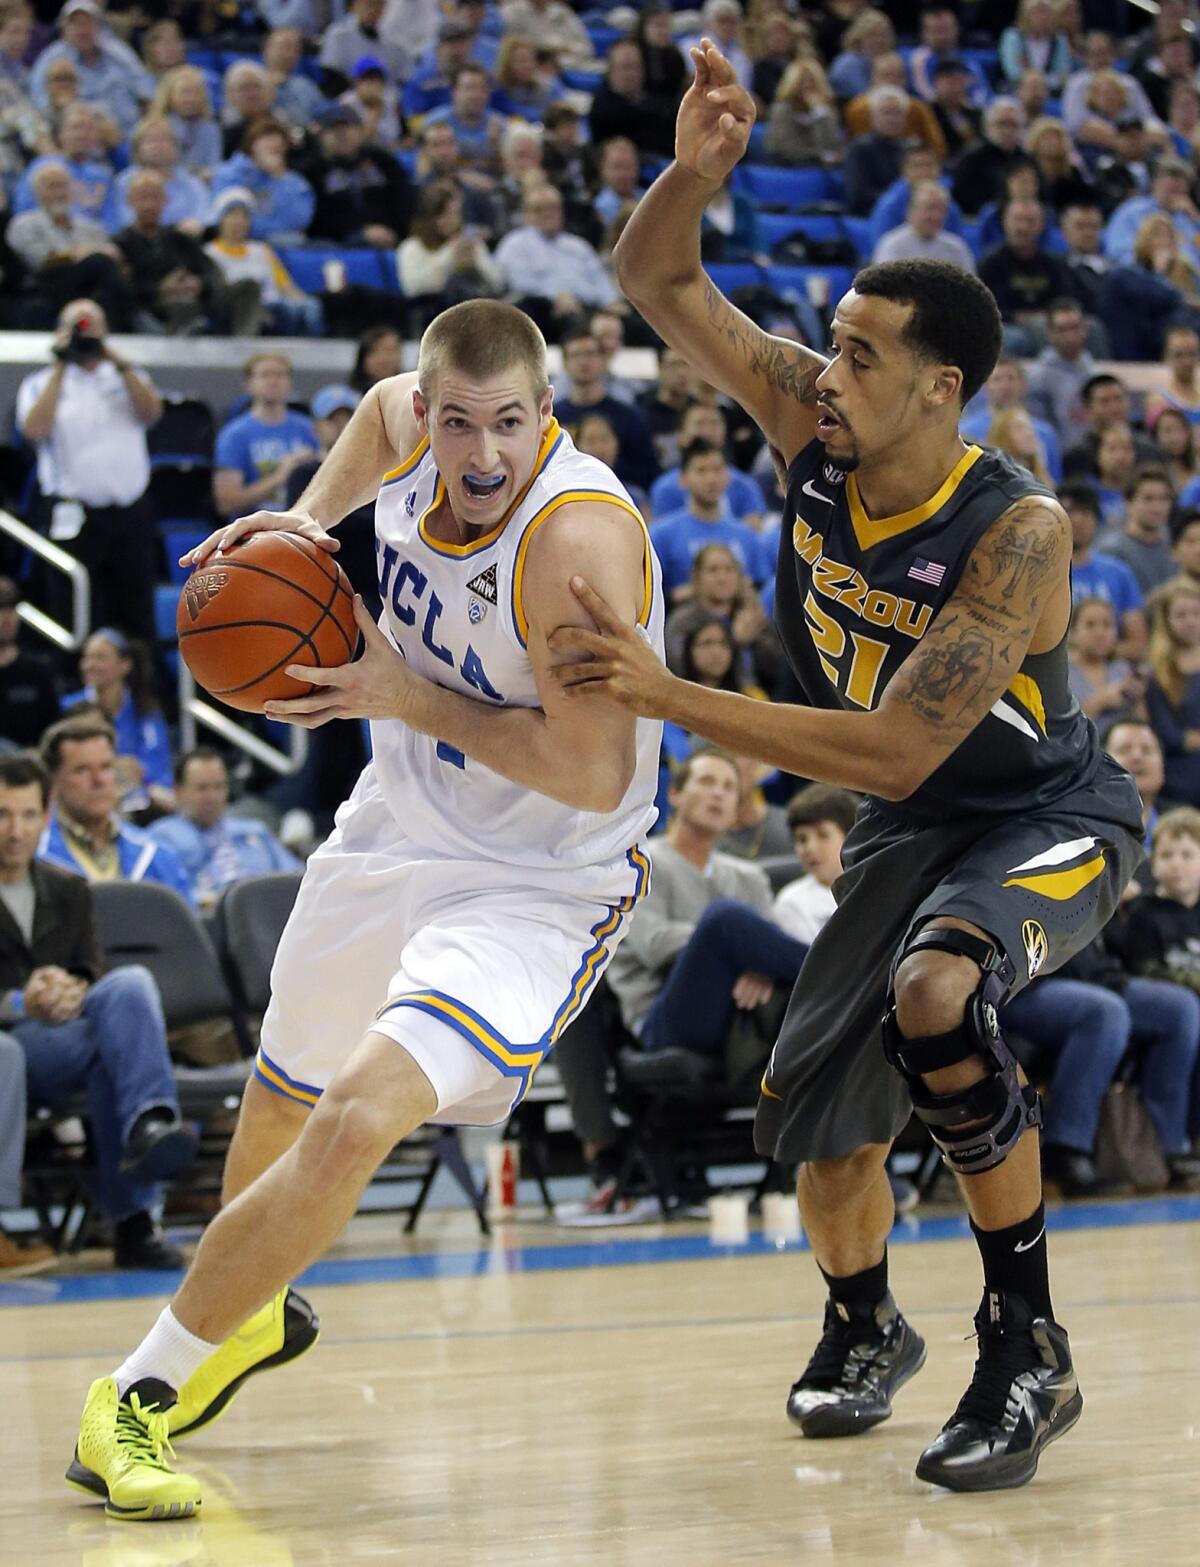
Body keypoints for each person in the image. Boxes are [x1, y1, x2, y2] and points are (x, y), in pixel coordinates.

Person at [554, 40, 1145, 1493]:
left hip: (1045, 808)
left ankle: (1029, 1341)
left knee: (938, 990)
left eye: (862, 355)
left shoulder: (1019, 530)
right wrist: (694, 177)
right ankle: (868, 1324)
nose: (830, 367)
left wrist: (668, 687)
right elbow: (659, 283)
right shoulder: (813, 421)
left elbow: (894, 740)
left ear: (941, 391)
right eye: (832, 339)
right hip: (906, 823)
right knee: (825, 1126)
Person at [66, 297, 665, 1520]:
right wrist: (300, 521)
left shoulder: (576, 541)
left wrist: (401, 691)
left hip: (534, 887)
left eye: (510, 424)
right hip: (393, 828)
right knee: (281, 1089)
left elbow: (593, 769)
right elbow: (379, 414)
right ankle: (247, 1315)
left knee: (353, 1119)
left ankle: (133, 1391)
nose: (482, 453)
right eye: (459, 423)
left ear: (547, 416)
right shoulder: (409, 421)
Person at [0, 749, 197, 1270]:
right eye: (1, 815)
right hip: (15, 1042)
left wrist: (68, 989)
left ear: (43, 817)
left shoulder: (67, 888)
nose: (14, 830)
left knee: (128, 986)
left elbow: (90, 970)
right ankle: (135, 1219)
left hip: (68, 1035)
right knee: (109, 1048)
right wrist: (24, 999)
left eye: (24, 815)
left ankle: (148, 1125)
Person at [606, 747, 805, 1054]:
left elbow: (770, 945)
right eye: (707, 782)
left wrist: (762, 967)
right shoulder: (641, 864)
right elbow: (655, 946)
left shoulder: (750, 876)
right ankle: (839, 974)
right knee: (723, 918)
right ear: (674, 794)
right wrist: (731, 946)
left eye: (729, 788)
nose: (718, 794)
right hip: (664, 1019)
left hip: (740, 1012)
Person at [15, 297, 160, 650]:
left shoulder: (128, 375)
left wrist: (116, 359)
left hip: (129, 513)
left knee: (137, 610)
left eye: (90, 325)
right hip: (75, 515)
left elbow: (152, 413)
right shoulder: (41, 382)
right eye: (76, 325)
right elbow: (34, 430)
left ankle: (143, 691)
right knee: (75, 610)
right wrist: (63, 362)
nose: (84, 333)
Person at [37, 715, 190, 900]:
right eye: (82, 770)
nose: (98, 780)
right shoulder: (30, 859)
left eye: (106, 767)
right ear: (52, 781)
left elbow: (185, 926)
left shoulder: (157, 855)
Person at [149, 749, 301, 909]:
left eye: (218, 786)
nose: (212, 797)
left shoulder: (254, 831)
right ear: (178, 792)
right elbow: (163, 900)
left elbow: (298, 878)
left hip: (268, 917)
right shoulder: (161, 839)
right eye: (202, 788)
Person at [493, 183, 619, 343]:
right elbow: (518, 282)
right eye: (540, 209)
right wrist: (556, 295)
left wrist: (611, 302)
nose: (549, 214)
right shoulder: (514, 244)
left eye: (554, 208)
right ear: (526, 214)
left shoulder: (578, 246)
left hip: (586, 306)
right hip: (543, 309)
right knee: (564, 316)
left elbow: (599, 280)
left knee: (630, 320)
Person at [62, 628, 172, 806]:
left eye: (100, 657)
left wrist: (140, 776)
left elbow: (158, 765)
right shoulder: (68, 708)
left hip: (142, 799)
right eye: (87, 657)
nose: (89, 665)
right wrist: (117, 766)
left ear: (125, 664)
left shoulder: (145, 709)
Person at [652, 439, 771, 600]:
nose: (711, 479)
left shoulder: (747, 536)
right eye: (701, 470)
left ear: (728, 476)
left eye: (718, 469)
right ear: (683, 479)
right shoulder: (662, 535)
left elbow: (761, 588)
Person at [203, 187, 322, 339]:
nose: (239, 221)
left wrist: (305, 304)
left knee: (310, 307)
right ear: (220, 219)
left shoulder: (262, 250)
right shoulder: (209, 253)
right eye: (233, 215)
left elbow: (287, 287)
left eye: (244, 216)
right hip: (243, 314)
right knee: (282, 313)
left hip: (276, 306)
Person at [213, 352, 319, 521]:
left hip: (301, 525)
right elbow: (226, 502)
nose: (273, 381)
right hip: (253, 530)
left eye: (280, 375)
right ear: (248, 384)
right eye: (264, 375)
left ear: (290, 383)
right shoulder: (235, 435)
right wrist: (281, 476)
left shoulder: (308, 429)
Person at [1060, 481, 1146, 658]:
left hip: (1111, 671)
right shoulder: (1039, 574)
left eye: (1085, 512)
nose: (1077, 520)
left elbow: (1138, 643)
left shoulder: (1119, 572)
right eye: (1070, 512)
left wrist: (1095, 650)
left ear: (1097, 520)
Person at [772, 783, 858, 944]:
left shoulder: (874, 889)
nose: (810, 848)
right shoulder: (791, 902)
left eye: (823, 835)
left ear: (850, 837)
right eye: (801, 839)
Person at [1146, 576, 1200, 806]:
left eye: (1196, 613)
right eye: (1181, 615)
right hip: (1179, 780)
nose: (1190, 621)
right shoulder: (1158, 673)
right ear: (1166, 620)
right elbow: (1171, 737)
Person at [1097, 466, 1178, 596]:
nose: (1157, 507)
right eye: (1148, 499)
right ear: (1128, 502)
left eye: (1164, 499)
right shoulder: (1111, 551)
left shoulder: (1176, 547)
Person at [0, 576, 60, 749]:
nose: (7, 617)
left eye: (12, 608)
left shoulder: (38, 672)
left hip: (27, 769)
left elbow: (52, 733)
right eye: (1, 609)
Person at [1066, 596, 1145, 724]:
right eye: (1090, 625)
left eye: (1107, 625)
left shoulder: (1123, 670)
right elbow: (1062, 728)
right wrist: (1101, 700)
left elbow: (1142, 724)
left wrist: (1140, 699)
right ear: (1073, 632)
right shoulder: (1062, 675)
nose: (1100, 633)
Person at [873, 181, 975, 271]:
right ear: (911, 211)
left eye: (941, 210)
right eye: (929, 208)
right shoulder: (892, 245)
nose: (936, 216)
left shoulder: (957, 248)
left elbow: (970, 288)